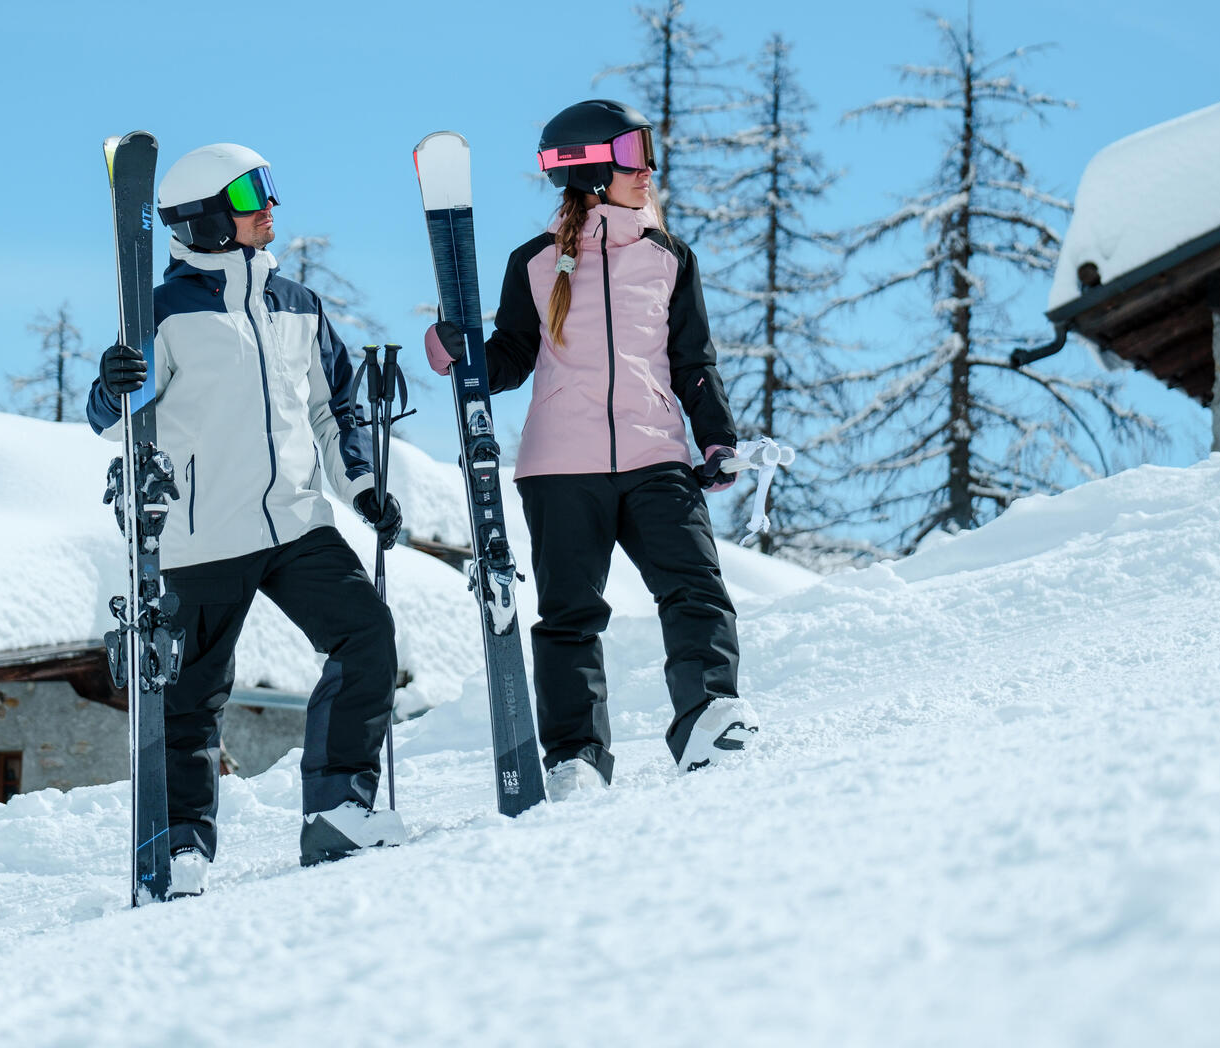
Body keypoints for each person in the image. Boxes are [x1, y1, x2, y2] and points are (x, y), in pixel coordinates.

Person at [87, 142, 406, 892]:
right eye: (249, 194)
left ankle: (338, 812)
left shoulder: (297, 304)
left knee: (367, 641)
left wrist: (361, 487)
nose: (269, 206)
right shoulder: (161, 311)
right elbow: (112, 421)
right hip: (202, 536)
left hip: (298, 522)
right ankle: (182, 849)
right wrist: (112, 384)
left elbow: (338, 410)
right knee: (191, 700)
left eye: (267, 188)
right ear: (205, 220)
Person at [426, 99, 756, 799]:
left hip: (655, 454)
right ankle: (576, 758)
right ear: (592, 168)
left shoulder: (669, 258)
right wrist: (460, 357)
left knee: (696, 587)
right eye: (635, 153)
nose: (650, 170)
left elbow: (693, 360)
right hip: (560, 467)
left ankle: (708, 717)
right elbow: (510, 358)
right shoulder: (536, 264)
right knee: (570, 616)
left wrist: (717, 436)